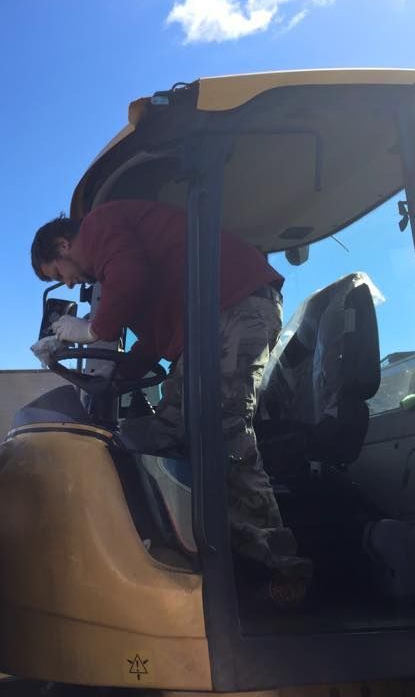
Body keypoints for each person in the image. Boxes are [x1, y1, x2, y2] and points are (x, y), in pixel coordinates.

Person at [30, 199, 311, 598]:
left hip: (234, 307)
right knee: (166, 431)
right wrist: (115, 375)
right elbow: (153, 340)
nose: (71, 283)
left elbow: (129, 276)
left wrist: (91, 331)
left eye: (58, 273)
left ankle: (280, 566)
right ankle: (194, 555)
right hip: (208, 324)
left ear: (62, 245)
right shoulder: (133, 272)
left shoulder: (99, 226)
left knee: (222, 428)